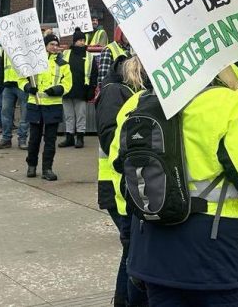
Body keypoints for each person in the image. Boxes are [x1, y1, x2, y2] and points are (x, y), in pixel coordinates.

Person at [108, 74, 238, 306]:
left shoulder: (135, 103)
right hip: (213, 251)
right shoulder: (230, 102)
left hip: (151, 247)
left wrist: (130, 238)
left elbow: (121, 177)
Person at [95, 54, 147, 307]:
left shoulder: (126, 91)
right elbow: (109, 137)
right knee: (131, 253)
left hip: (131, 185)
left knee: (133, 252)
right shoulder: (115, 92)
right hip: (116, 185)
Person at [19, 33, 72, 181]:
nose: (55, 47)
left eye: (56, 44)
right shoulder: (33, 61)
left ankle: (47, 169)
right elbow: (22, 78)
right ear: (45, 46)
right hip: (35, 104)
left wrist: (58, 89)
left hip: (53, 106)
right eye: (51, 44)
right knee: (34, 139)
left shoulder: (63, 63)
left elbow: (68, 83)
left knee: (50, 140)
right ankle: (31, 166)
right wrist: (28, 87)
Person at [59, 28, 96, 149]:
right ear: (74, 41)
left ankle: (80, 137)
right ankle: (69, 137)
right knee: (69, 115)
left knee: (81, 115)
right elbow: (58, 70)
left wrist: (91, 89)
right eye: (80, 40)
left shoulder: (89, 56)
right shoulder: (65, 54)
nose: (82, 42)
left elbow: (94, 74)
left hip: (81, 90)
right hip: (66, 89)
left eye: (83, 40)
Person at [0, 43, 29, 150]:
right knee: (6, 114)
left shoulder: (26, 47)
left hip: (22, 85)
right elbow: (2, 66)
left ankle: (22, 139)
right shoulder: (6, 49)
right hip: (8, 85)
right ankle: (6, 139)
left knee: (24, 115)